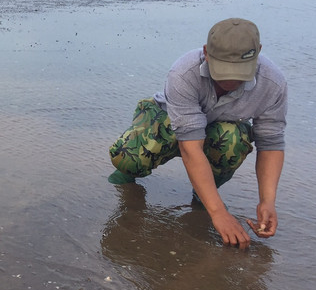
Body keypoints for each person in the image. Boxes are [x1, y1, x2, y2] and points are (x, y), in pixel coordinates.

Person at [108, 18, 287, 249]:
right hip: (167, 121)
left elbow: (271, 143)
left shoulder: (273, 83)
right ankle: (126, 176)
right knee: (126, 156)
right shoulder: (184, 72)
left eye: (240, 72)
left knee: (233, 139)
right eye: (223, 70)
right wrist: (219, 213)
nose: (231, 80)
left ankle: (203, 195)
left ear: (258, 53)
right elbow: (190, 147)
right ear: (206, 53)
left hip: (219, 129)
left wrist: (267, 201)